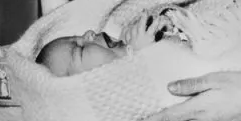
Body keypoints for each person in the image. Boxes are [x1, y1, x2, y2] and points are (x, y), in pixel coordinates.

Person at [35, 14, 183, 77]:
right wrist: (140, 55)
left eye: (79, 36)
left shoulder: (128, 37)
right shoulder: (123, 84)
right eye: (80, 49)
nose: (88, 34)